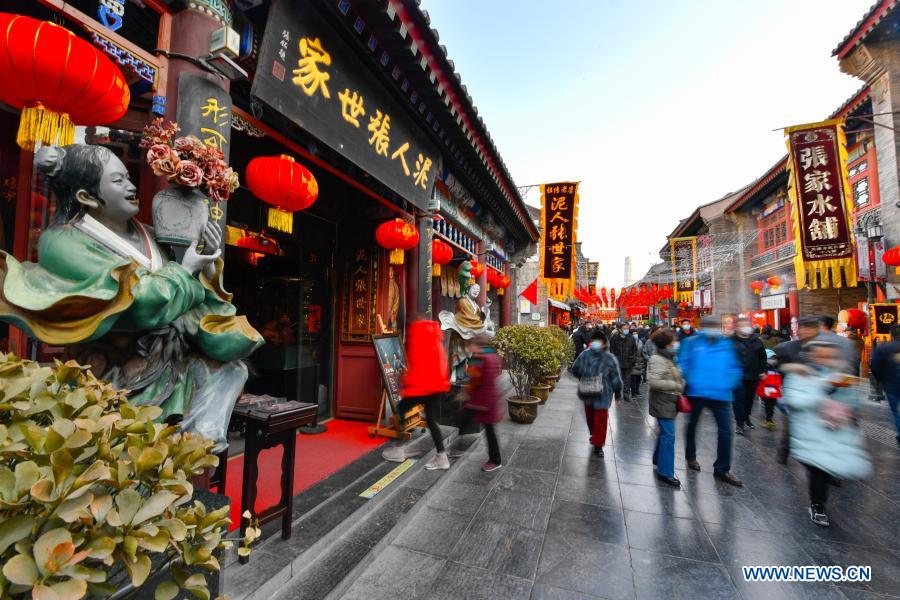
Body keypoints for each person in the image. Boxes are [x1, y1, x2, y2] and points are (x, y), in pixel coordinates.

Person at [783, 341, 872, 527]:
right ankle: (817, 504)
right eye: (820, 355)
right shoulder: (799, 374)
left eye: (829, 356)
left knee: (821, 472)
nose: (824, 360)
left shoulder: (841, 375)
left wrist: (846, 389)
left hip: (832, 433)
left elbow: (851, 404)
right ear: (810, 356)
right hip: (808, 433)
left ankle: (818, 505)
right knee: (817, 470)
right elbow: (794, 400)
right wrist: (821, 386)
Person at [680, 315, 744, 487]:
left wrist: (729, 382)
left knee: (725, 432)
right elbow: (682, 363)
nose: (713, 328)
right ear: (702, 326)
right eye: (709, 325)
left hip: (721, 394)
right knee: (692, 427)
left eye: (716, 325)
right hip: (697, 393)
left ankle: (722, 468)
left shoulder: (726, 344)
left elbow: (735, 367)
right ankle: (691, 456)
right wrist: (693, 379)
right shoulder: (691, 343)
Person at [382, 316, 451, 469]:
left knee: (400, 409)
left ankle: (400, 448)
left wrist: (406, 385)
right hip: (437, 386)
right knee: (432, 421)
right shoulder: (434, 337)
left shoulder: (419, 336)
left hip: (422, 386)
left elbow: (417, 365)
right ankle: (442, 456)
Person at [773, 316, 821, 463]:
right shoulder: (786, 347)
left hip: (818, 393)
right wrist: (787, 368)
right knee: (790, 425)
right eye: (804, 328)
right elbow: (773, 365)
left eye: (811, 328)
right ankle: (784, 451)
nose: (807, 331)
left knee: (818, 428)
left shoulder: (824, 347)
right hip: (793, 392)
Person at [456, 334, 504, 471]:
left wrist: (467, 395)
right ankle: (460, 448)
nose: (469, 348)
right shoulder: (491, 356)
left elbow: (476, 381)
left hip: (483, 402)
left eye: (471, 345)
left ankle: (495, 460)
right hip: (484, 401)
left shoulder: (482, 359)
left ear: (477, 345)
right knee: (468, 421)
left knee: (488, 431)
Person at [571, 330, 623, 457]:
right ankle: (594, 435)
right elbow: (575, 368)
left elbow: (616, 377)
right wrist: (583, 377)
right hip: (588, 390)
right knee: (590, 417)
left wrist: (618, 394)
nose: (596, 343)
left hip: (604, 394)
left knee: (601, 419)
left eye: (599, 341)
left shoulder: (609, 358)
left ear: (605, 343)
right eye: (594, 341)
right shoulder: (585, 355)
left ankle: (598, 445)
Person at [648, 328, 685, 488]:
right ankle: (666, 472)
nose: (676, 343)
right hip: (663, 401)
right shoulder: (658, 359)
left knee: (665, 433)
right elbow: (654, 381)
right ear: (667, 344)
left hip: (669, 401)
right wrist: (676, 385)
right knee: (669, 436)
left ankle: (658, 459)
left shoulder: (669, 357)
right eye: (674, 341)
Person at [732, 316, 767, 434]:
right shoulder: (730, 341)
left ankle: (746, 417)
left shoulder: (757, 340)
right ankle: (739, 423)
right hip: (737, 376)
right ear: (737, 327)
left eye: (747, 325)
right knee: (739, 399)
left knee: (749, 399)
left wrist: (763, 370)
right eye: (742, 325)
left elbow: (763, 357)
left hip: (753, 374)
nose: (745, 328)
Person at [870, 324, 900, 447]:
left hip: (891, 384)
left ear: (891, 334)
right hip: (891, 382)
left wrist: (880, 379)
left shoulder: (883, 348)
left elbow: (875, 366)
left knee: (895, 411)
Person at [609, 322, 638, 401]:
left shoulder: (631, 338)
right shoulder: (614, 338)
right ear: (619, 329)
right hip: (618, 363)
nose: (626, 330)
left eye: (627, 328)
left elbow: (635, 351)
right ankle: (617, 394)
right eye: (624, 329)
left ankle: (626, 394)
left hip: (628, 362)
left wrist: (633, 360)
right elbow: (611, 351)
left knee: (627, 380)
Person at [758, 349, 784, 429]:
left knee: (770, 406)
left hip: (771, 391)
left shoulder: (767, 368)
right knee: (769, 406)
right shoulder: (773, 368)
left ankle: (769, 420)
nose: (773, 361)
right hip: (770, 391)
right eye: (771, 359)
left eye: (774, 359)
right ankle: (769, 419)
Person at [631, 330, 645, 397]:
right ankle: (633, 393)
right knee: (633, 378)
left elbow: (643, 352)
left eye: (636, 333)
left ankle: (637, 390)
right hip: (633, 362)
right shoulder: (629, 342)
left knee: (639, 378)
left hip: (640, 362)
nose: (635, 335)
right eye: (634, 333)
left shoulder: (640, 342)